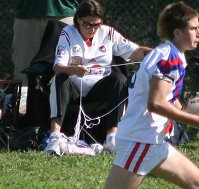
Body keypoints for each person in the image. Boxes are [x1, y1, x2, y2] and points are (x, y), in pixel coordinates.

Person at [100, 2, 199, 189]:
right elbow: (156, 103)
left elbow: (169, 98)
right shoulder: (169, 59)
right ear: (177, 33)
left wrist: (190, 111)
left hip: (152, 140)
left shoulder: (168, 54)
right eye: (193, 28)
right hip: (141, 140)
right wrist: (196, 121)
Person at [43, 0, 152, 154]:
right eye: (87, 24)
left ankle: (111, 138)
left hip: (98, 87)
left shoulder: (108, 33)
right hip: (74, 87)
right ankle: (55, 137)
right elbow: (58, 67)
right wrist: (73, 69)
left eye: (96, 25)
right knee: (59, 78)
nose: (92, 29)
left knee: (119, 79)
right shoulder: (68, 33)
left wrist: (158, 54)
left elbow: (135, 52)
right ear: (78, 20)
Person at [12, 0, 80, 114]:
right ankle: (21, 122)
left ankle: (67, 119)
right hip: (26, 15)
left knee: (68, 67)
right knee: (23, 71)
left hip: (65, 12)